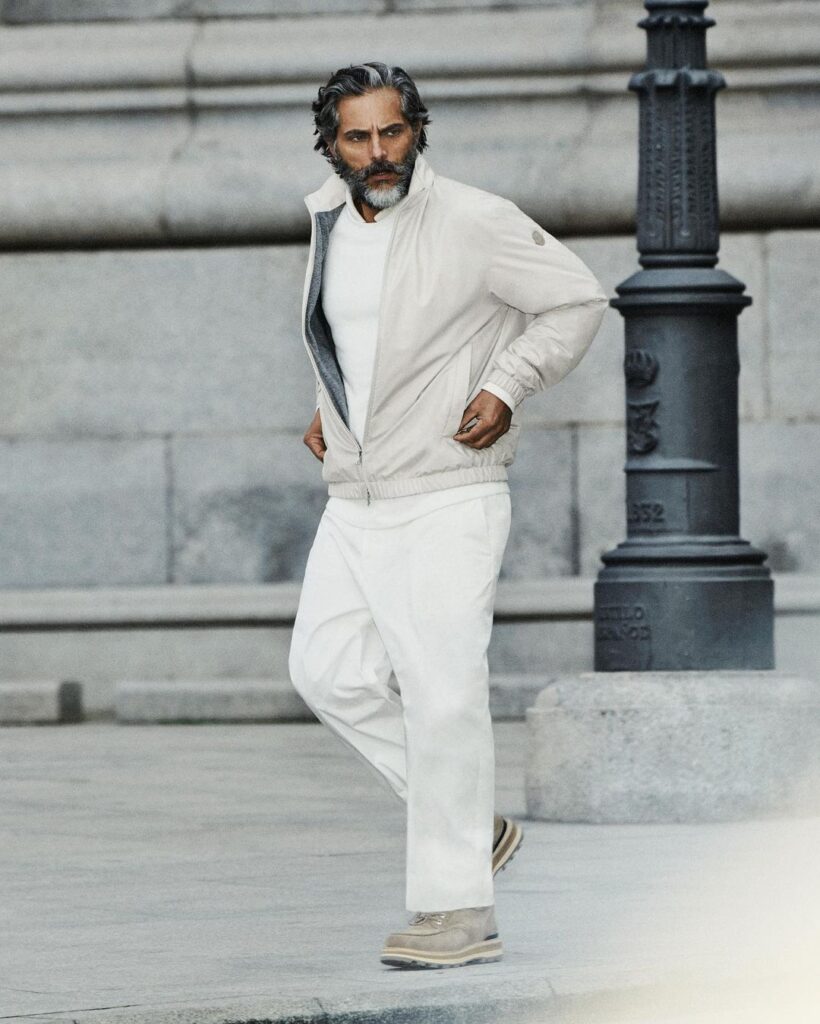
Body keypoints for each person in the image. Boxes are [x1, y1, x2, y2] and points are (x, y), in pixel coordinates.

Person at [288, 61, 607, 969]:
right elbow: (361, 337)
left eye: (393, 131)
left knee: (443, 693)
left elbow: (577, 299)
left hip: (448, 491)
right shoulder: (327, 219)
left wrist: (507, 384)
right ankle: (473, 826)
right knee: (325, 671)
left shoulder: (472, 217)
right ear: (331, 145)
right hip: (357, 492)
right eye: (358, 137)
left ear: (418, 129)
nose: (378, 152)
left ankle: (460, 909)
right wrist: (330, 406)